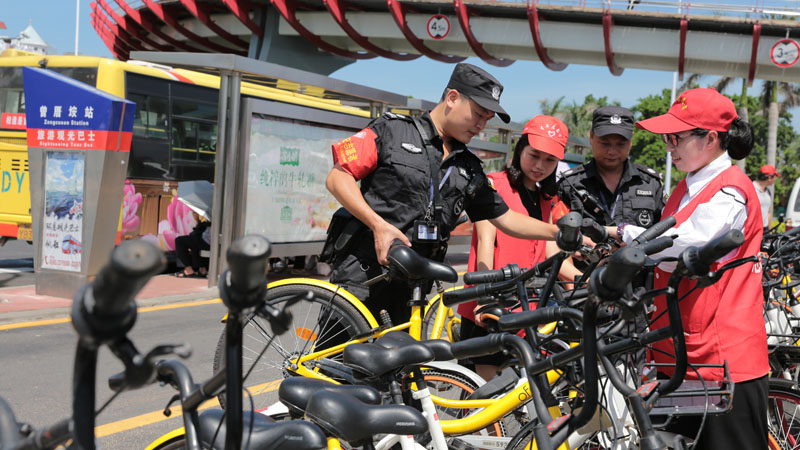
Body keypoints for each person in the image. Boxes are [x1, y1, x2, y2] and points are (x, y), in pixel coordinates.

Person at [324, 63, 560, 325]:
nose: (481, 125)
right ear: (452, 98)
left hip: (413, 289)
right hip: (362, 276)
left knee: (401, 351)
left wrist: (558, 233)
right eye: (478, 114)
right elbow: (338, 177)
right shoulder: (392, 130)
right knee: (338, 351)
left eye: (487, 119)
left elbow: (506, 218)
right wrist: (378, 225)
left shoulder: (469, 167)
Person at [615, 88, 768, 449]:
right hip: (681, 350)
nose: (669, 146)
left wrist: (624, 234)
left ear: (711, 139)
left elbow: (691, 240)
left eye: (676, 137)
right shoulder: (688, 185)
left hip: (720, 358)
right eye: (667, 137)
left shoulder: (731, 189)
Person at [458, 115, 582, 380]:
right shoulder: (494, 185)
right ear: (519, 149)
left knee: (524, 389)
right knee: (487, 390)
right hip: (493, 302)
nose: (539, 166)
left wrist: (584, 280)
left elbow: (551, 252)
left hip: (527, 305)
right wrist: (485, 298)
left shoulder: (546, 198)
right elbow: (486, 243)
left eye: (549, 160)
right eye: (534, 155)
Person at [557, 106, 665, 230]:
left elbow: (664, 231)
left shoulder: (650, 183)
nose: (612, 151)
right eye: (605, 143)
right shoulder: (569, 184)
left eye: (620, 144)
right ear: (591, 136)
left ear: (631, 140)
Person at [174, 212, 211, 278]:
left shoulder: (211, 211)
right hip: (211, 240)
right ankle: (202, 269)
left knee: (179, 241)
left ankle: (188, 270)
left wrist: (197, 220)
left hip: (208, 240)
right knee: (194, 240)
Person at [754, 164, 780, 228]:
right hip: (754, 229)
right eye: (774, 177)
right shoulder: (752, 189)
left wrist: (770, 230)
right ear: (769, 178)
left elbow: (768, 212)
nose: (775, 180)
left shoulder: (768, 191)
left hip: (765, 228)